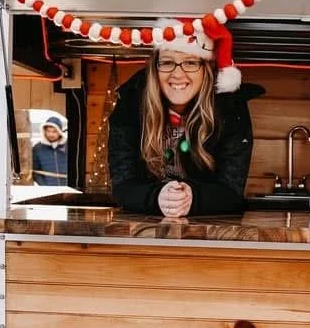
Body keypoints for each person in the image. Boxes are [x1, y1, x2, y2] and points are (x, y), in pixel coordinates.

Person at [108, 18, 262, 216]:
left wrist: (193, 197)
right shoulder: (131, 103)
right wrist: (157, 197)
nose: (178, 74)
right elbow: (122, 186)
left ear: (206, 69)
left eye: (190, 62)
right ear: (155, 67)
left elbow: (231, 189)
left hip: (210, 233)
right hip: (143, 229)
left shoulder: (230, 109)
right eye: (167, 62)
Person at [31, 115, 69, 185]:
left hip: (67, 188)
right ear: (44, 131)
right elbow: (35, 171)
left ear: (59, 131)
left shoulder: (68, 146)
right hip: (48, 190)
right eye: (48, 131)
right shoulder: (37, 148)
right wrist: (44, 185)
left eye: (54, 131)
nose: (51, 134)